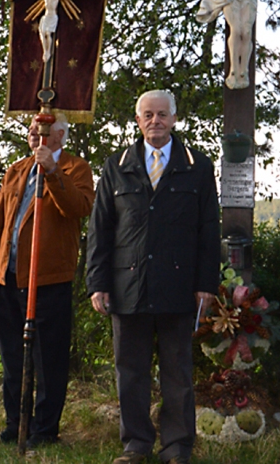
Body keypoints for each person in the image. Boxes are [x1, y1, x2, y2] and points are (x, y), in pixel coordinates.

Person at [87, 90, 221, 464]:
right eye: (148, 115)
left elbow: (209, 230)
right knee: (130, 372)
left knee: (177, 371)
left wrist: (206, 283)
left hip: (179, 287)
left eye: (162, 115)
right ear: (137, 119)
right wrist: (97, 283)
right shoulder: (117, 166)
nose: (155, 121)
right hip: (127, 286)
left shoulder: (198, 167)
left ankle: (177, 447)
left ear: (175, 118)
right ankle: (136, 444)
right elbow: (100, 231)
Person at [0, 113, 95, 447]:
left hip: (49, 279)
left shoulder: (76, 168)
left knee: (49, 359)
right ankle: (15, 425)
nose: (32, 134)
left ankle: (44, 431)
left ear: (58, 135)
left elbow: (78, 207)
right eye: (30, 130)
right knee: (12, 356)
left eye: (40, 130)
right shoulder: (16, 170)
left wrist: (53, 172)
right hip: (10, 277)